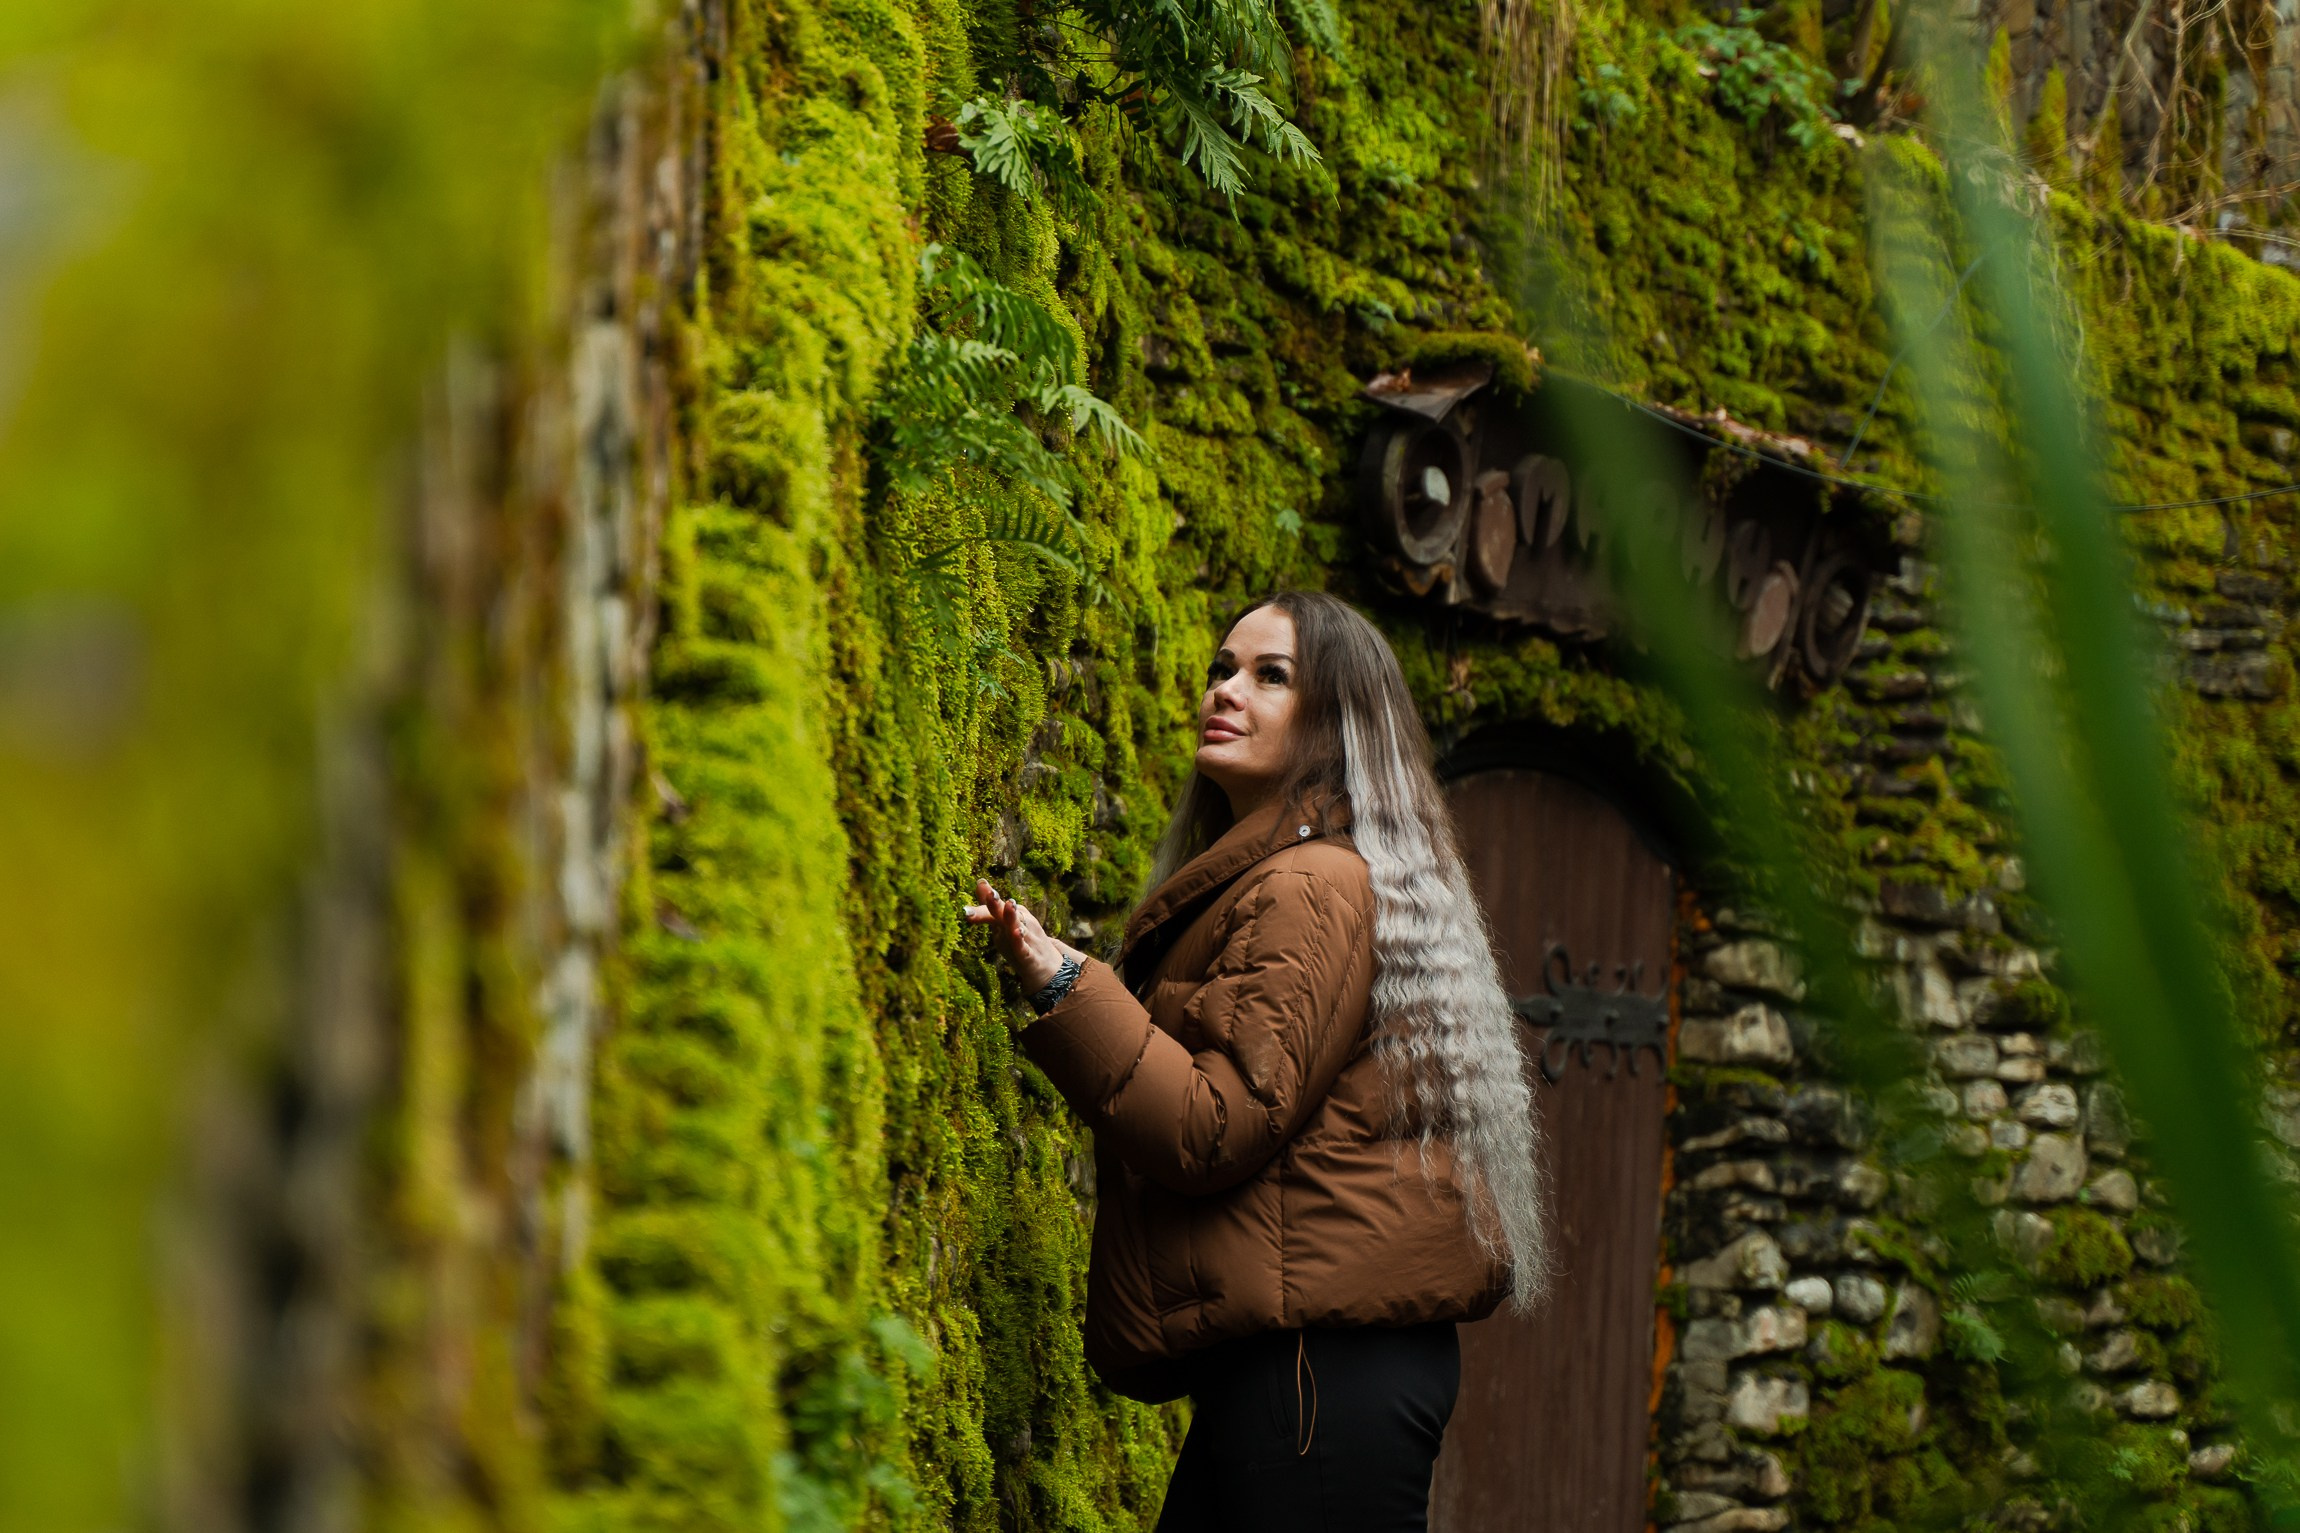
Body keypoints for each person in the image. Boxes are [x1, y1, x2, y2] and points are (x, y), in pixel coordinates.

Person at [965, 591, 1549, 1533]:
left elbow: (1215, 1122)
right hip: (1316, 1365)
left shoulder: (1311, 885)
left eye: (1270, 676)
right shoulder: (1302, 871)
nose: (1226, 690)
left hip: (1319, 1374)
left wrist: (1065, 984)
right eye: (1221, 669)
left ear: (1336, 722)